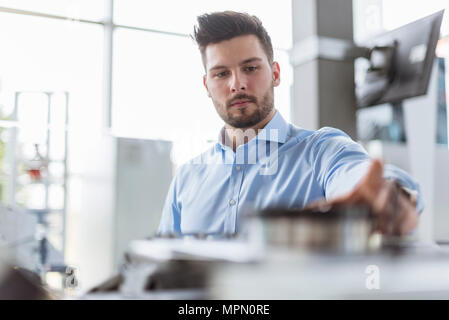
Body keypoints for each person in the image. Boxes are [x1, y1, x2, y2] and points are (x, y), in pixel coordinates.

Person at [157, 11, 422, 237]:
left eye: (250, 68)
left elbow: (356, 174)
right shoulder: (186, 179)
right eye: (221, 73)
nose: (237, 84)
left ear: (275, 73)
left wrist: (389, 198)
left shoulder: (321, 152)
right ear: (207, 85)